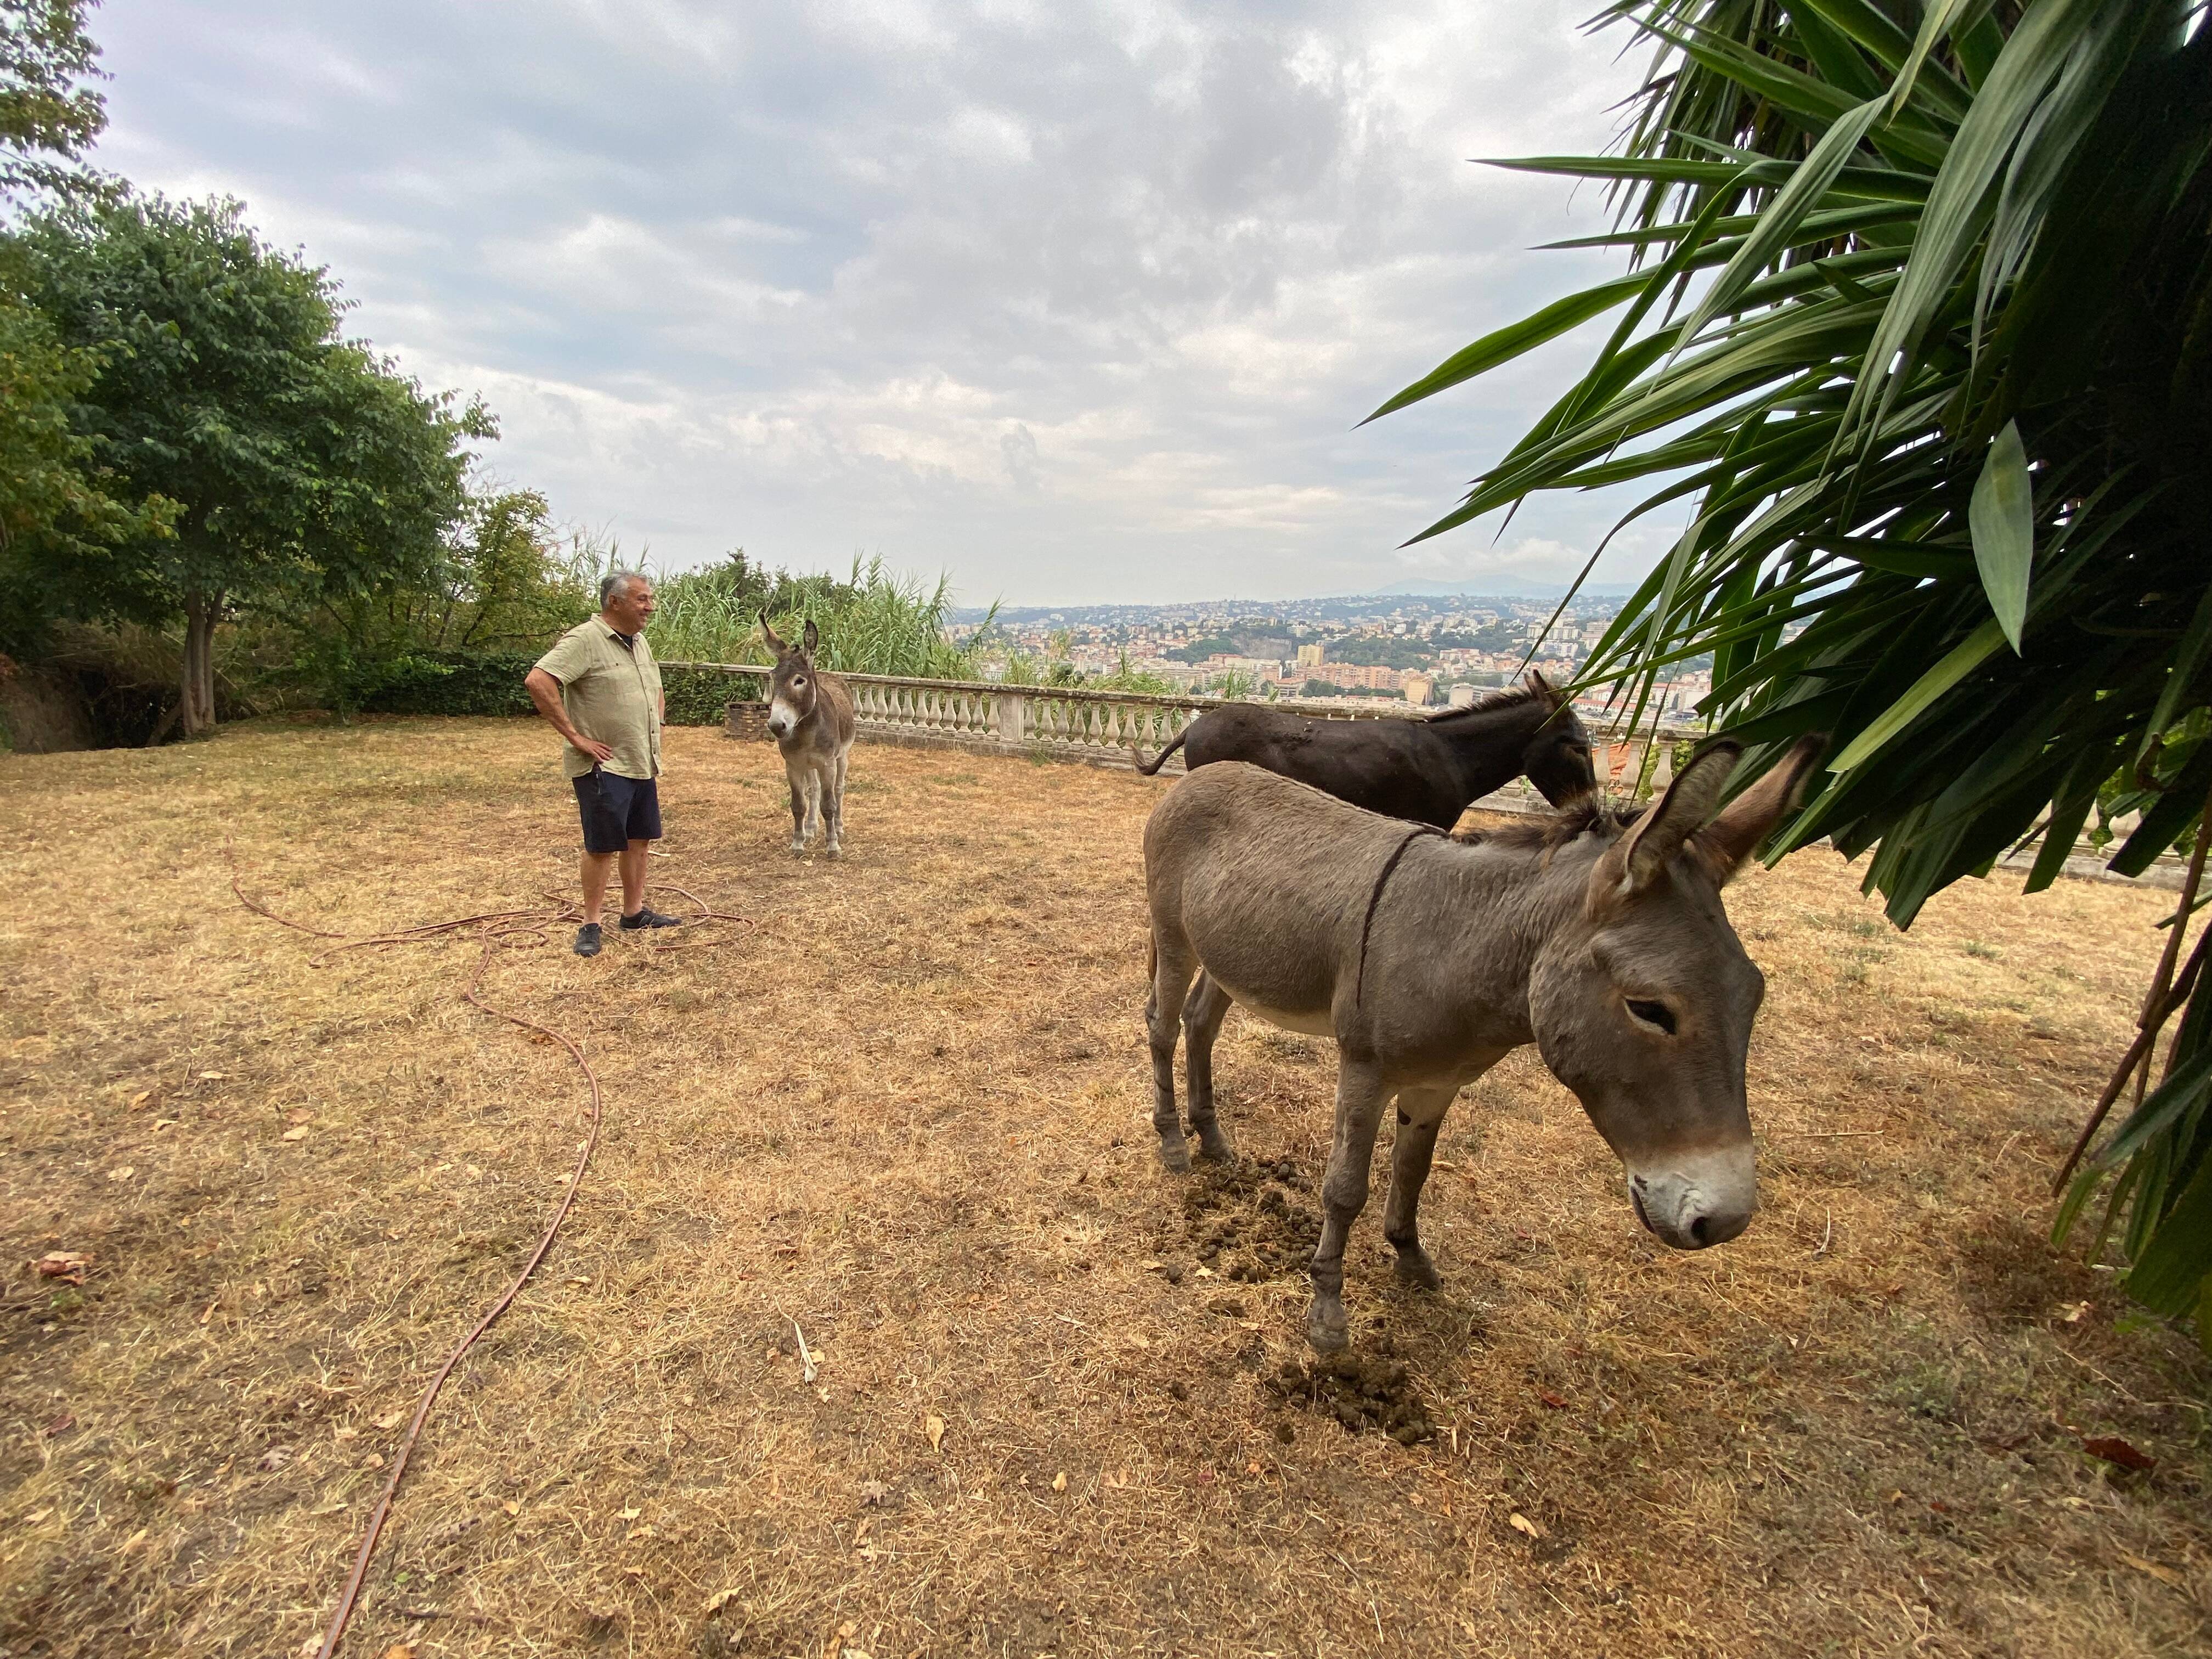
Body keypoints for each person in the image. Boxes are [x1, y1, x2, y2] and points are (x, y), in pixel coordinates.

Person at [524, 571, 685, 956]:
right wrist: (576, 737)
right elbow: (538, 680)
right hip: (604, 765)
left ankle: (633, 913)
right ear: (615, 602)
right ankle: (591, 924)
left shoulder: (640, 643)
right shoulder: (585, 640)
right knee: (602, 846)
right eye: (642, 599)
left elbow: (656, 687)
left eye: (650, 599)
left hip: (641, 760)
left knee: (639, 839)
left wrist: (657, 721)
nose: (651, 606)